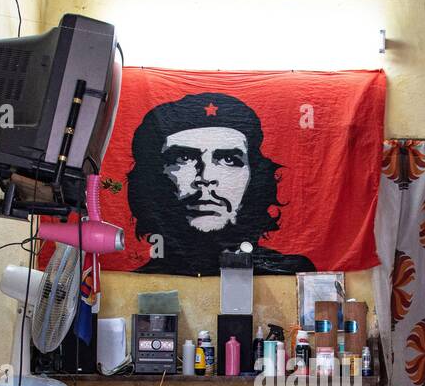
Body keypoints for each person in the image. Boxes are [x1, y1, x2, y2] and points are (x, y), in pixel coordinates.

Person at [126, 92, 312, 275]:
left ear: (255, 177)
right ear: (152, 176)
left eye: (229, 159)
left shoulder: (289, 274)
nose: (206, 178)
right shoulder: (137, 283)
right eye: (184, 158)